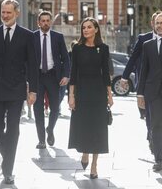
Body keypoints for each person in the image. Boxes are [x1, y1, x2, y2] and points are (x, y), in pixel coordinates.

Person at [0, 0, 38, 184]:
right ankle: (8, 159)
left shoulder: (28, 36)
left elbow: (33, 65)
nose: (4, 15)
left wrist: (33, 90)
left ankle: (8, 169)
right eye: (3, 12)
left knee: (13, 130)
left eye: (8, 12)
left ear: (17, 13)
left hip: (16, 90)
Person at [68, 17, 113, 179]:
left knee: (98, 128)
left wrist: (109, 95)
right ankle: (85, 152)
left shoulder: (104, 48)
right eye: (83, 28)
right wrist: (71, 96)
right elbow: (73, 74)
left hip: (99, 93)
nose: (85, 30)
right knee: (85, 126)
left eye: (89, 27)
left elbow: (106, 74)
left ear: (96, 29)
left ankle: (94, 164)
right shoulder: (77, 49)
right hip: (82, 93)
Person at [121, 11, 161, 151]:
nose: (159, 25)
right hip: (146, 84)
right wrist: (125, 77)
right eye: (157, 22)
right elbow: (133, 58)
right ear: (152, 24)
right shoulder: (144, 39)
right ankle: (152, 137)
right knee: (149, 115)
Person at [33, 10, 70, 149]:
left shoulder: (58, 37)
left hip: (53, 76)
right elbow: (27, 59)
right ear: (38, 22)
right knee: (37, 109)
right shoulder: (32, 37)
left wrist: (66, 75)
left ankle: (50, 129)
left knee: (55, 108)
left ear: (50, 22)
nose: (45, 23)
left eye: (48, 20)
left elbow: (65, 58)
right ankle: (41, 140)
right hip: (37, 77)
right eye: (42, 20)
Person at [137, 13, 162, 172]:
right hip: (153, 93)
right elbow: (143, 70)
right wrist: (140, 94)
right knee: (156, 126)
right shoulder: (148, 45)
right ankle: (159, 159)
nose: (159, 25)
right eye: (158, 23)